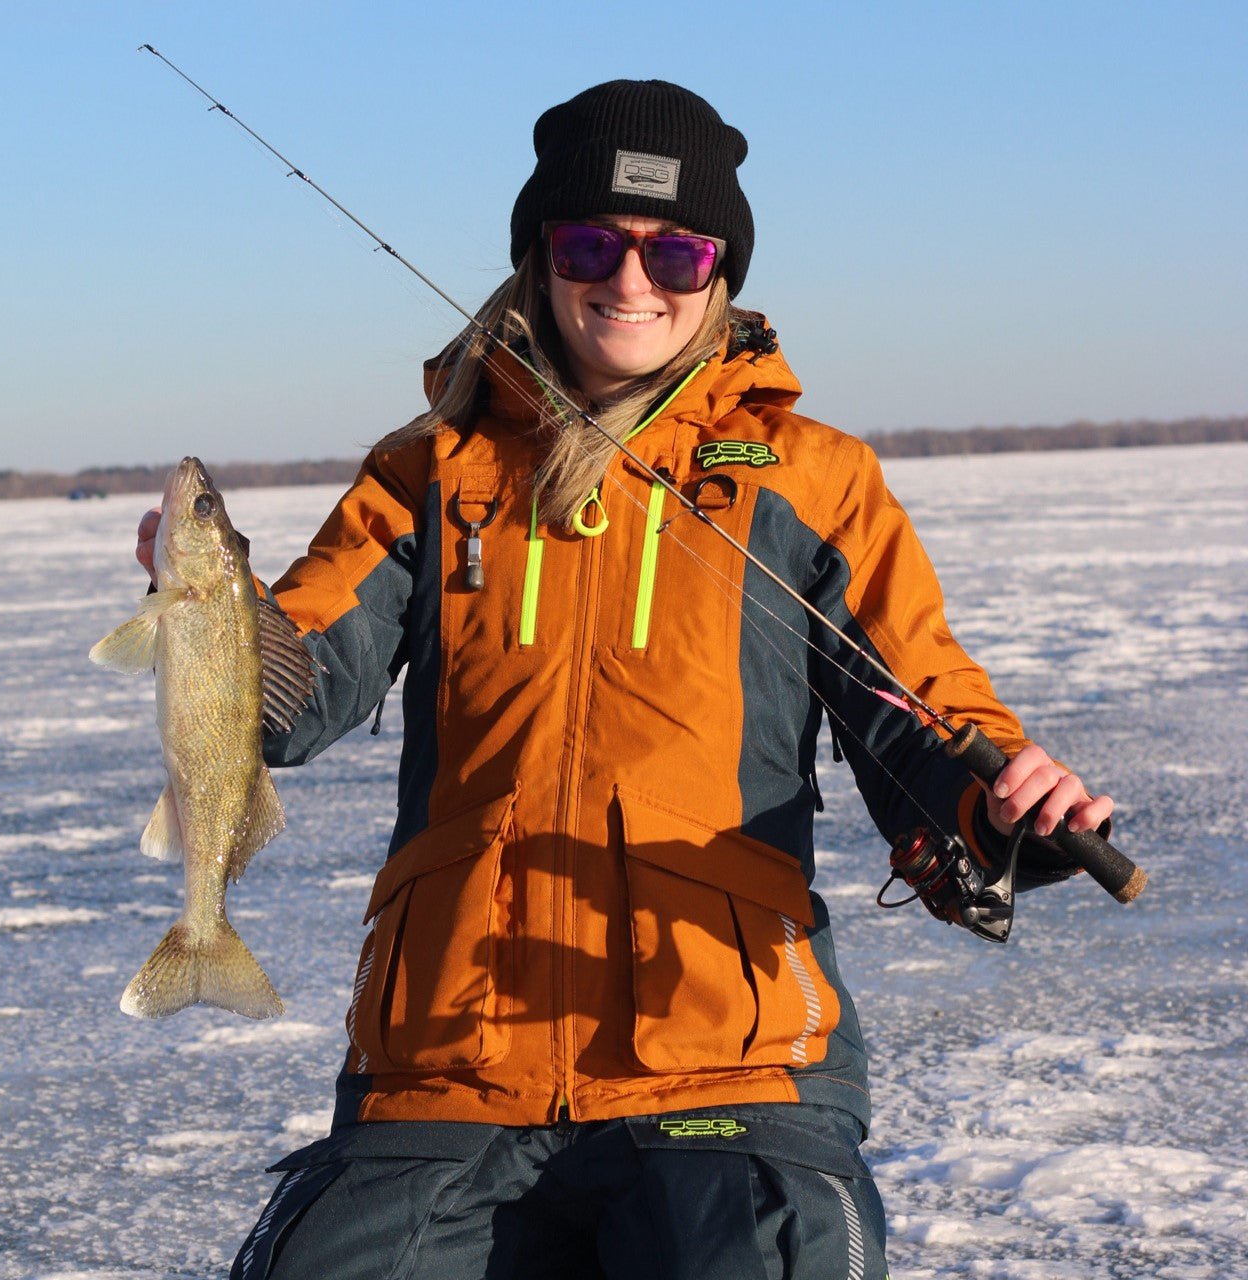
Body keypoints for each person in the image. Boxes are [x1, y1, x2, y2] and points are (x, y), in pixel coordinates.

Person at [136, 80, 1112, 1280]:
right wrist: (214, 615)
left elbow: (915, 708)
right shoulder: (425, 472)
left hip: (727, 1064)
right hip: (445, 1063)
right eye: (590, 244)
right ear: (541, 258)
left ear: (719, 268)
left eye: (675, 249)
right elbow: (292, 700)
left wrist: (999, 808)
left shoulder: (810, 479)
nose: (630, 279)